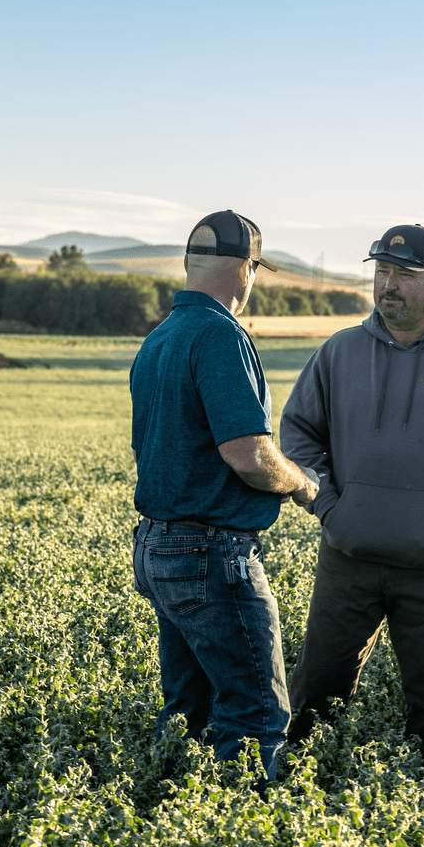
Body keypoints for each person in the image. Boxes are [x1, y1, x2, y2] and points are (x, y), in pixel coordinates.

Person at [280, 223, 424, 746]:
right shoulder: (339, 352)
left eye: (405, 274)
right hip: (349, 558)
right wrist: (328, 507)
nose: (389, 285)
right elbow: (297, 433)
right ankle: (300, 796)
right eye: (382, 272)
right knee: (315, 699)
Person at [129, 209, 320, 780]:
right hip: (211, 553)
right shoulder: (219, 334)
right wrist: (303, 483)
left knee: (186, 713)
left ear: (190, 264)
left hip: (159, 547)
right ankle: (245, 834)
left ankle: (163, 820)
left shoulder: (160, 336)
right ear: (245, 268)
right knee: (256, 716)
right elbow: (249, 456)